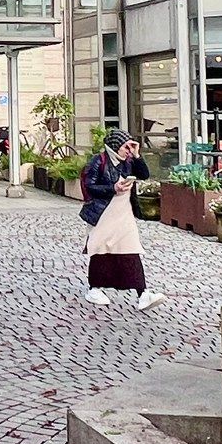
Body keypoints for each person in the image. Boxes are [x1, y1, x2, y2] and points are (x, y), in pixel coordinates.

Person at [80, 129, 157, 310]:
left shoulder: (128, 162)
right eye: (125, 147)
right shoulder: (99, 161)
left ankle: (143, 293)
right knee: (101, 249)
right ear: (115, 147)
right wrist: (112, 188)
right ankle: (95, 288)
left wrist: (137, 155)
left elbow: (144, 175)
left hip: (124, 214)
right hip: (103, 213)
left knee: (130, 249)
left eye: (130, 147)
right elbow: (90, 187)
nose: (128, 151)